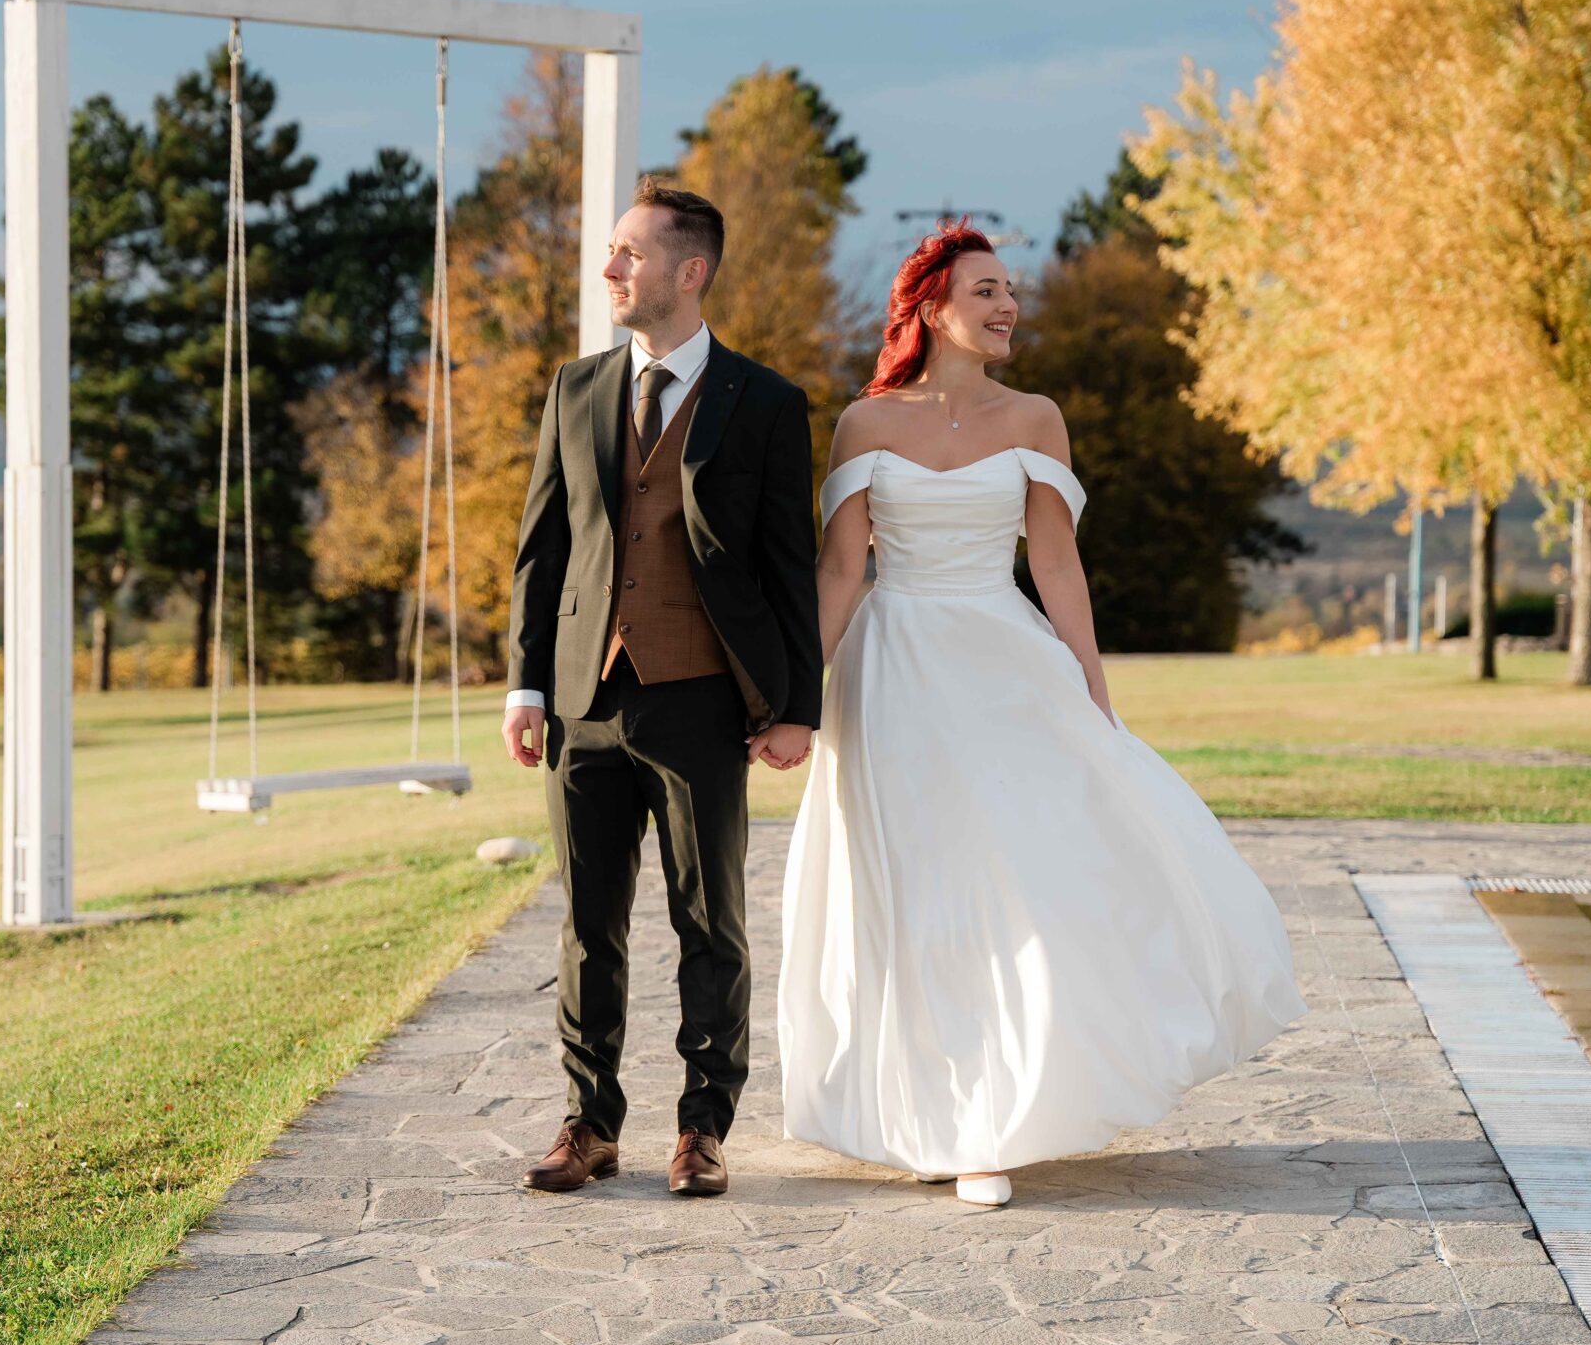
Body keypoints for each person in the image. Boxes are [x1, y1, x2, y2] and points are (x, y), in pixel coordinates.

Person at [778, 223, 1305, 1208]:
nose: (1008, 305)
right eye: (986, 290)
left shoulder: (1036, 417)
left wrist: (1090, 687)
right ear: (931, 307)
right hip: (890, 674)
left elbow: (1055, 561)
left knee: (1009, 880)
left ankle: (987, 1122)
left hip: (1002, 667)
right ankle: (927, 1113)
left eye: (1010, 290)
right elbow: (842, 570)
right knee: (909, 889)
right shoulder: (864, 423)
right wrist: (792, 700)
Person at [502, 176, 821, 1200]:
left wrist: (796, 704)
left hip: (702, 697)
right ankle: (589, 1123)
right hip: (583, 697)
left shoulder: (766, 402)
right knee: (587, 925)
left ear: (690, 272)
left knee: (708, 923)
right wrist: (524, 684)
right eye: (612, 250)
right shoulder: (576, 387)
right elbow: (542, 548)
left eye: (629, 254)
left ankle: (702, 1128)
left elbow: (790, 564)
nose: (609, 269)